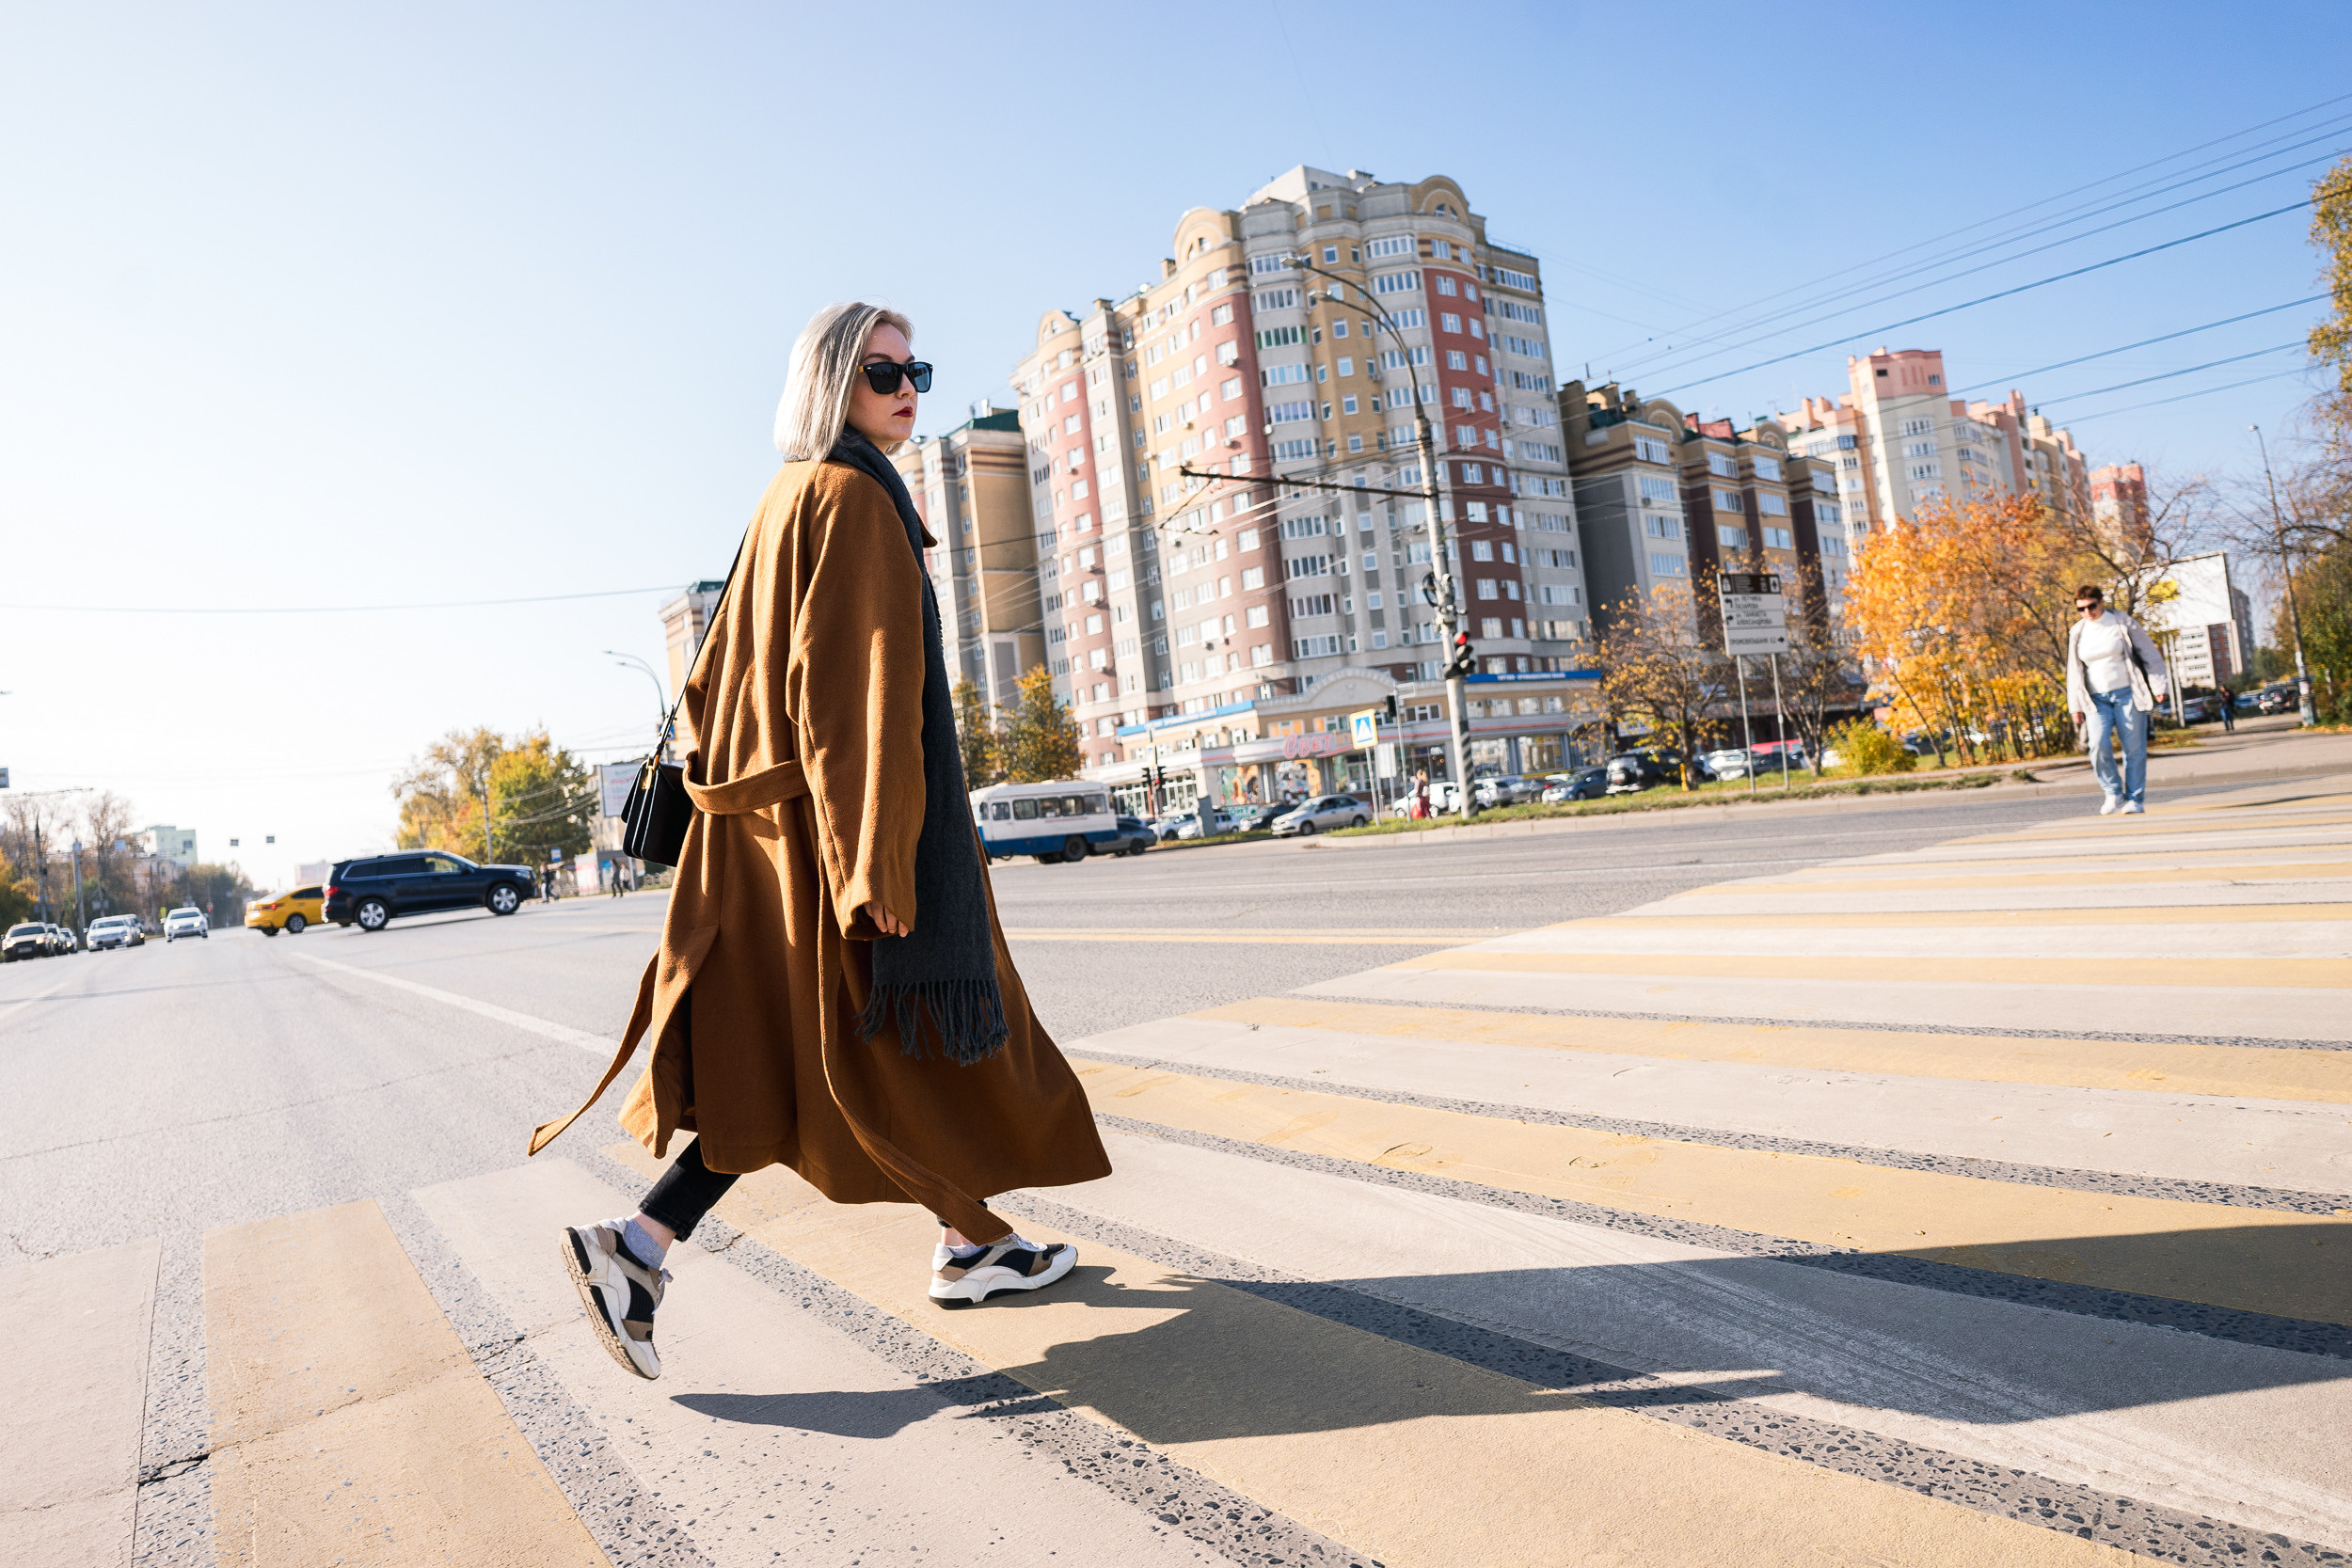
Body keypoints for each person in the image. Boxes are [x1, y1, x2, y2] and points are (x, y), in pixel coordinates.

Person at [537, 303, 1108, 1381]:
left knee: (797, 1071)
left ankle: (960, 1240)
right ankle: (643, 1247)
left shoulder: (783, 499)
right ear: (831, 383)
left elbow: (710, 688)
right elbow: (863, 701)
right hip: (827, 852)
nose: (907, 388)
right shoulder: (853, 498)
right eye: (881, 370)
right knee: (883, 1056)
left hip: (761, 850)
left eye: (916, 369)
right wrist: (874, 862)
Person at [2066, 584, 2169, 816]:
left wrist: (2159, 685)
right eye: (2081, 609)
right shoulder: (2078, 632)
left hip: (2128, 693)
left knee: (2134, 749)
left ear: (2101, 602)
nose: (2087, 612)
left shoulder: (2122, 623)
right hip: (2096, 699)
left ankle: (2135, 799)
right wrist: (2076, 706)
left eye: (2091, 606)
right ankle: (2113, 792)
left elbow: (2150, 654)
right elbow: (2073, 671)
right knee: (2098, 745)